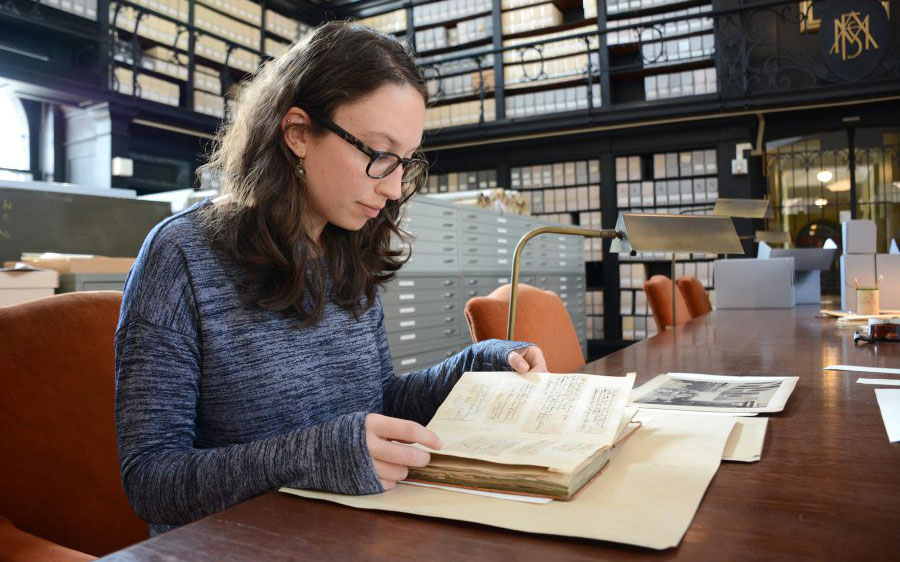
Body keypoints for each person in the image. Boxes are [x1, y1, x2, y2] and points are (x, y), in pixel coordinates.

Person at [114, 21, 546, 536]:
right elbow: (152, 480)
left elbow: (377, 400)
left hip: (348, 531)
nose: (392, 188)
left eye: (404, 162)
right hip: (238, 545)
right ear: (298, 132)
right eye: (378, 155)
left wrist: (472, 369)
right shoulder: (181, 255)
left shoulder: (347, 246)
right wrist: (313, 455)